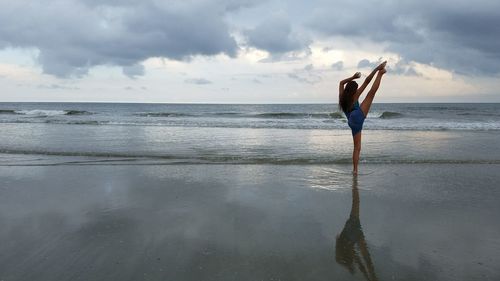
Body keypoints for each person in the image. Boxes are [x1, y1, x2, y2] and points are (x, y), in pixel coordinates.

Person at [339, 61, 387, 174]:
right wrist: (376, 69)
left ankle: (355, 170)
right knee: (371, 93)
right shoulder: (355, 95)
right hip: (357, 116)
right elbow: (367, 81)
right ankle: (381, 73)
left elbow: (341, 83)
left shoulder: (342, 97)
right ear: (354, 90)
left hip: (351, 121)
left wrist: (352, 77)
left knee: (357, 148)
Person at [335, 175, 379, 281]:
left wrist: (361, 271)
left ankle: (372, 277)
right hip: (351, 233)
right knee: (356, 202)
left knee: (366, 257)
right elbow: (357, 260)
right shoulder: (343, 250)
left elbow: (358, 261)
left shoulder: (346, 252)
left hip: (353, 235)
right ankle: (355, 185)